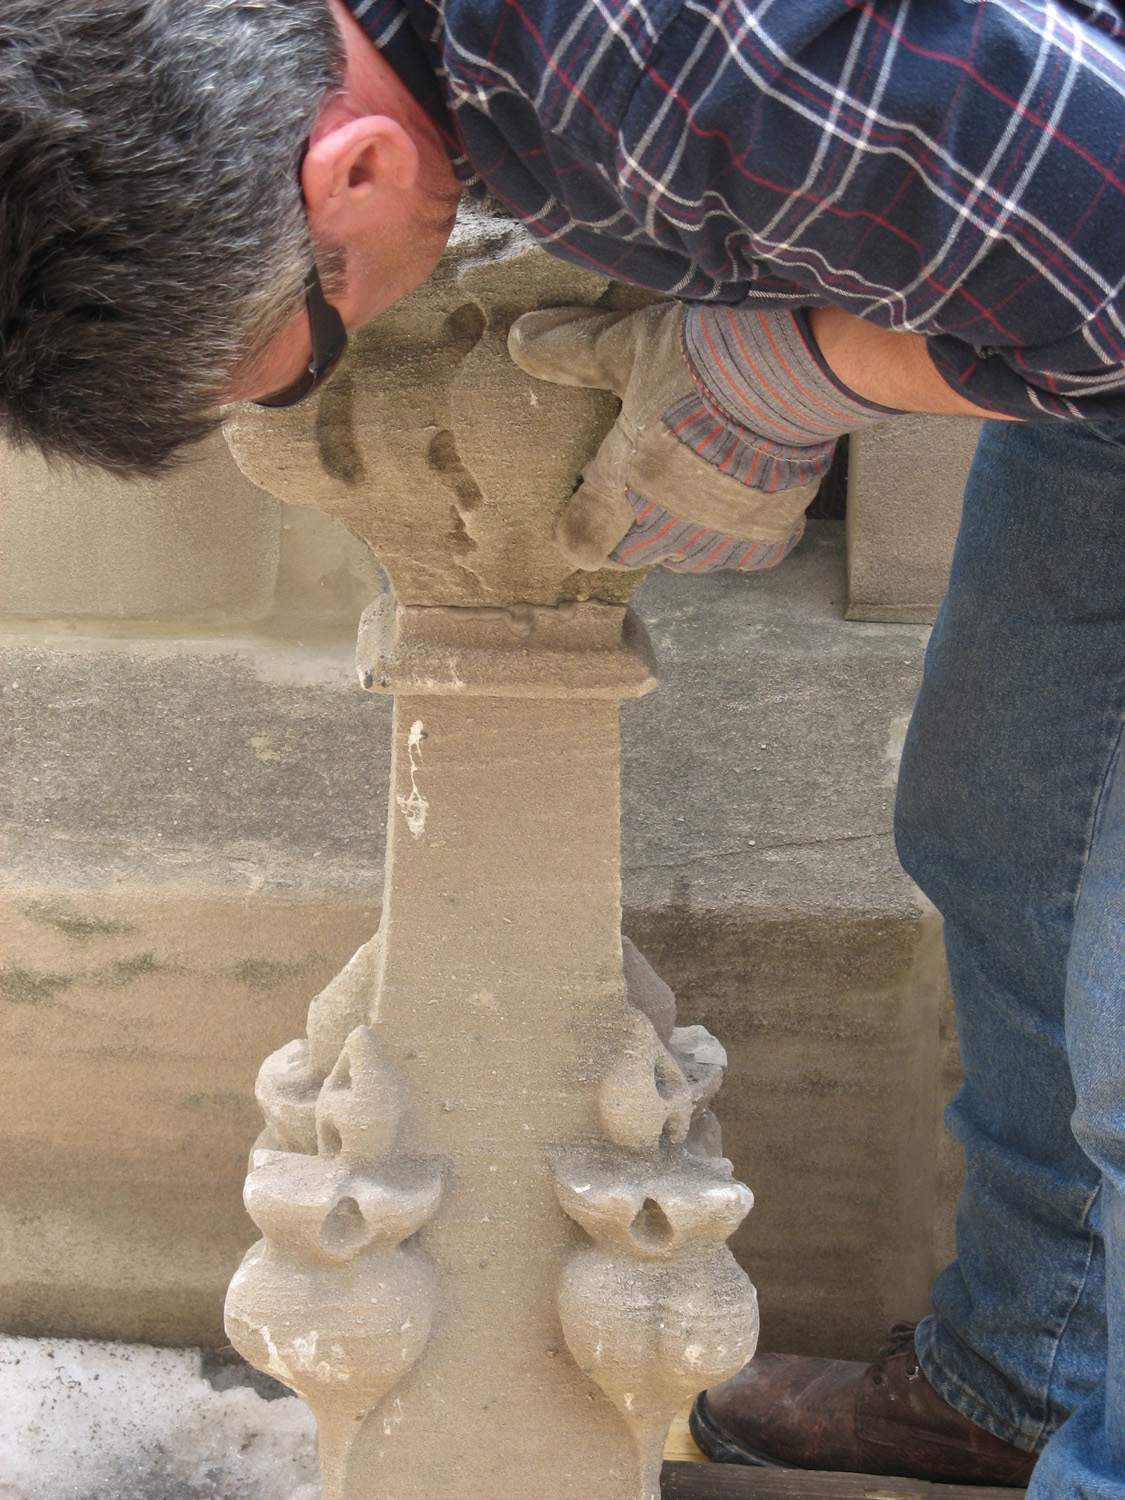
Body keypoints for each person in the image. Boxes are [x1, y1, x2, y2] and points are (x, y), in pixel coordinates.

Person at [2, 0, 1123, 1492]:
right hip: (1069, 295)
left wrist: (787, 376)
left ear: (350, 172)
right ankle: (1030, 1373)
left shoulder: (677, 69)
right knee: (1006, 844)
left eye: (296, 360)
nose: (313, 396)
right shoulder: (426, 69)